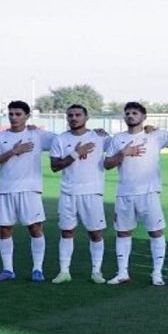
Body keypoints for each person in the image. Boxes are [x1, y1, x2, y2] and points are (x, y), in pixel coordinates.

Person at [104, 102, 168, 286]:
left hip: (149, 193)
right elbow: (107, 164)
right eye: (128, 113)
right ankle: (122, 273)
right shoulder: (118, 139)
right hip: (125, 193)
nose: (131, 115)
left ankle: (157, 274)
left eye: (135, 113)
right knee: (123, 232)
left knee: (156, 232)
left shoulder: (155, 135)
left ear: (144, 117)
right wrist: (123, 153)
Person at [0, 100, 55, 282]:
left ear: (27, 116)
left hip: (30, 190)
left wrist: (95, 133)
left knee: (35, 228)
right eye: (11, 114)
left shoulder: (37, 135)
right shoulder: (0, 137)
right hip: (5, 190)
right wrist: (13, 151)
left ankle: (37, 269)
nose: (14, 117)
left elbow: (65, 139)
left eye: (18, 114)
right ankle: (8, 270)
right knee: (5, 229)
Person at [49, 104, 109, 284]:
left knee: (95, 233)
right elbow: (55, 166)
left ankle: (96, 271)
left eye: (78, 115)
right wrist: (76, 153)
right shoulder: (60, 139)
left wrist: (147, 129)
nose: (74, 118)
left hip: (92, 193)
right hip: (68, 193)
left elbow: (124, 141)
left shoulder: (100, 137)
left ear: (86, 117)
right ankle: (64, 272)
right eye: (70, 115)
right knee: (67, 231)